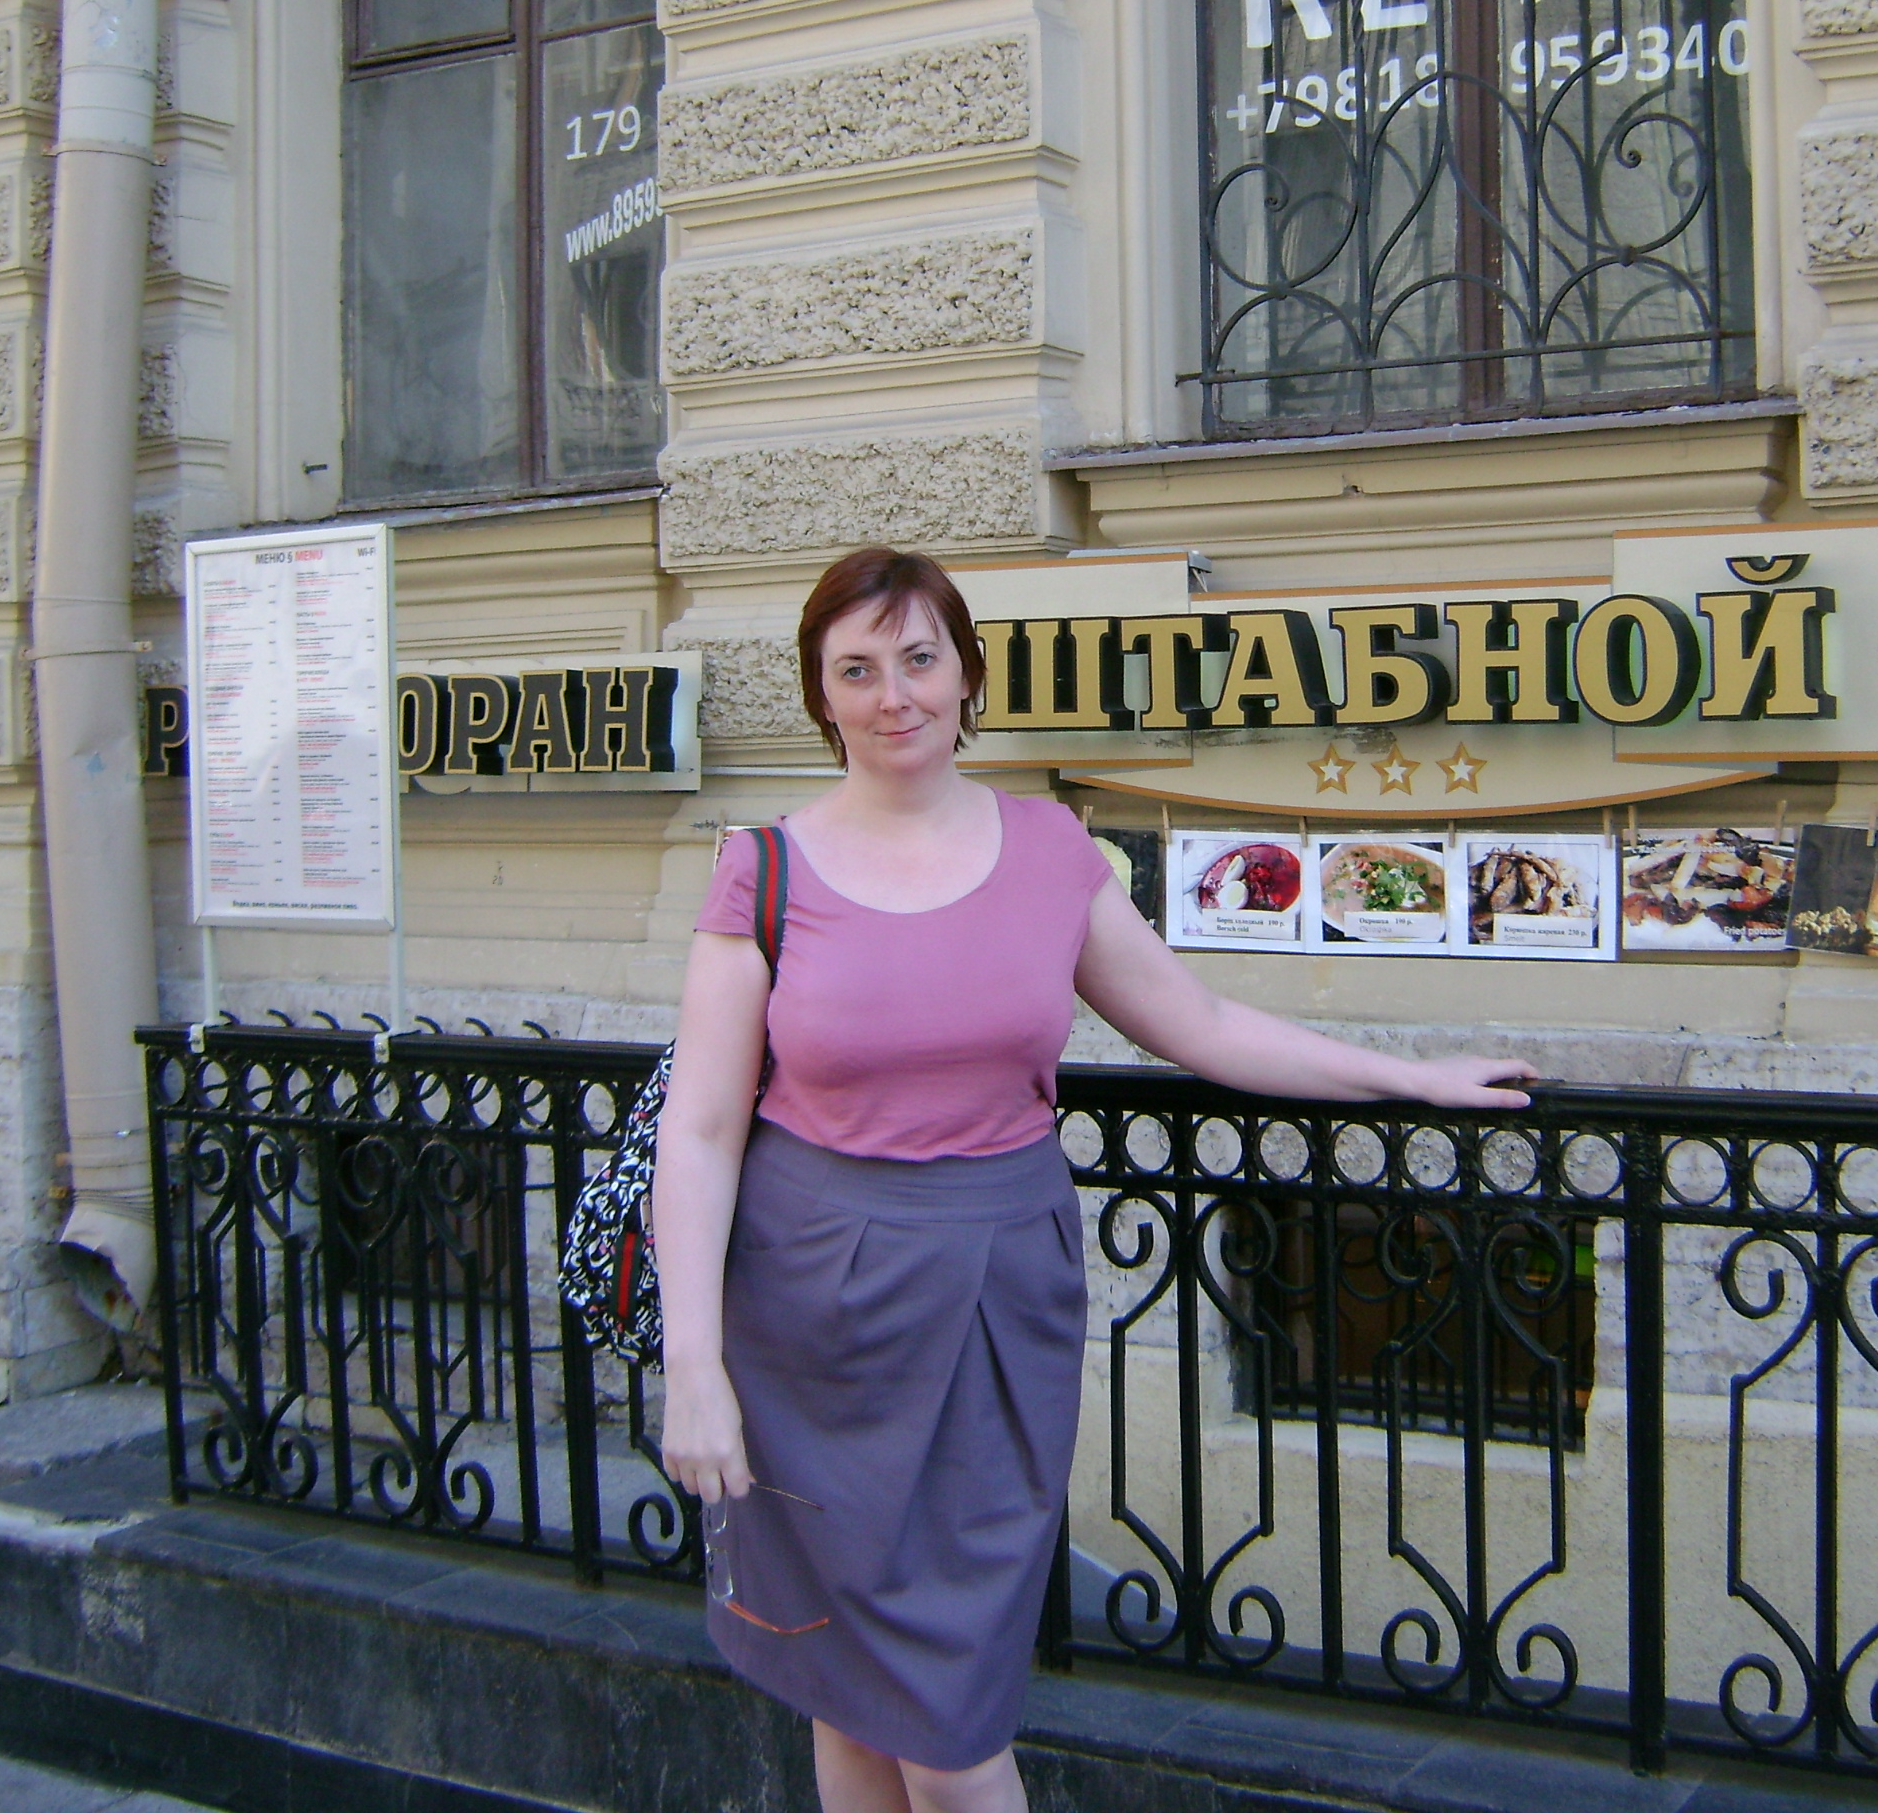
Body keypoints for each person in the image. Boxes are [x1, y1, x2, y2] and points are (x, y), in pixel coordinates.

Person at [651, 548, 1534, 1813]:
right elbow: (700, 1132)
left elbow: (1202, 1023)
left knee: (948, 1730)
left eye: (919, 659)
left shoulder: (1050, 850)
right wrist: (695, 1367)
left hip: (996, 1305)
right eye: (857, 669)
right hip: (807, 1321)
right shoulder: (766, 868)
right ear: (822, 694)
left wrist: (1408, 1077)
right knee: (846, 1697)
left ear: (967, 676)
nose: (894, 695)